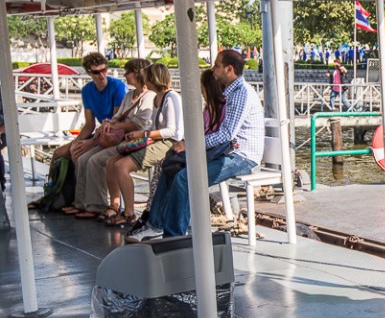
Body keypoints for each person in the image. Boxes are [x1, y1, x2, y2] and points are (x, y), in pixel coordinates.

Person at [128, 50, 263, 241]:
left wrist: (190, 145)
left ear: (229, 69)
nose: (213, 69)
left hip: (242, 155)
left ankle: (174, 235)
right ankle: (156, 224)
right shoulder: (230, 92)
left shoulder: (241, 93)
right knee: (172, 167)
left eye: (216, 65)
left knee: (185, 178)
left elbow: (226, 134)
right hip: (227, 151)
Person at [63, 58, 152, 219]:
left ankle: (99, 205)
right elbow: (117, 116)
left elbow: (140, 124)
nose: (124, 75)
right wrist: (107, 122)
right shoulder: (130, 94)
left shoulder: (148, 96)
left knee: (95, 160)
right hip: (119, 138)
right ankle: (83, 203)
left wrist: (115, 126)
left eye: (128, 72)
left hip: (133, 140)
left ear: (137, 73)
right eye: (97, 72)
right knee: (82, 158)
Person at [103, 64, 183, 228]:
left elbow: (172, 131)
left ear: (153, 79)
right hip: (156, 139)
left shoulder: (171, 97)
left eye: (147, 77)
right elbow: (153, 126)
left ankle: (129, 213)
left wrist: (143, 135)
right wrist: (140, 136)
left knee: (122, 166)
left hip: (169, 142)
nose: (144, 79)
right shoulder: (157, 97)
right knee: (112, 162)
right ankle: (116, 205)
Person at [51, 52, 127, 165]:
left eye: (104, 70)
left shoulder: (117, 86)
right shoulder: (87, 90)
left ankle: (85, 182)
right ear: (89, 73)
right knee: (58, 153)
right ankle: (58, 182)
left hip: (118, 133)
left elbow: (116, 121)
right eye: (96, 72)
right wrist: (76, 142)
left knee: (81, 156)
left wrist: (92, 142)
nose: (101, 75)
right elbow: (89, 124)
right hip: (102, 133)